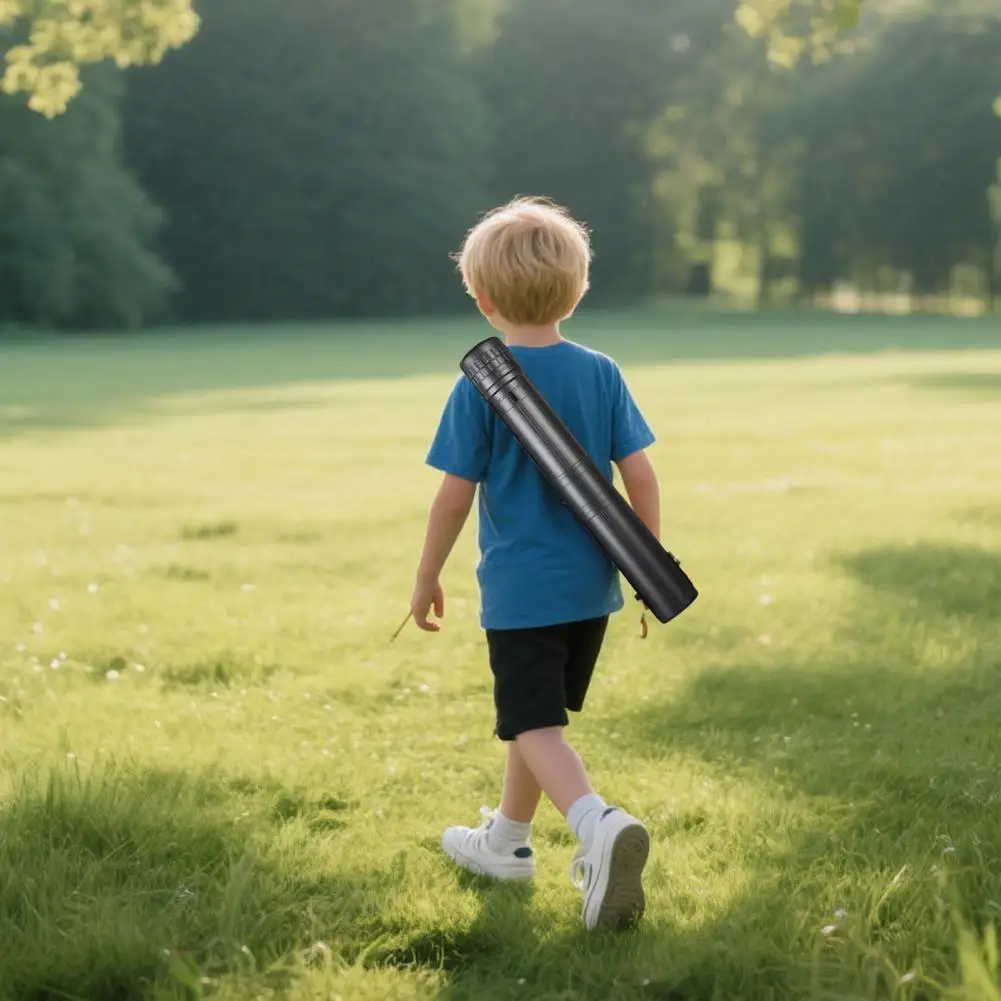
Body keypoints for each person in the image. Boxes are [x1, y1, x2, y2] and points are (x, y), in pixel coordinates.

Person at [409, 196, 662, 931]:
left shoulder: (478, 384)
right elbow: (640, 478)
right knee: (533, 720)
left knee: (532, 724)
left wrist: (426, 576)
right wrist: (646, 569)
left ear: (483, 300)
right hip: (592, 588)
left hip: (520, 591)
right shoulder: (602, 372)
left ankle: (597, 825)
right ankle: (506, 843)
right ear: (578, 289)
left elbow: (453, 498)